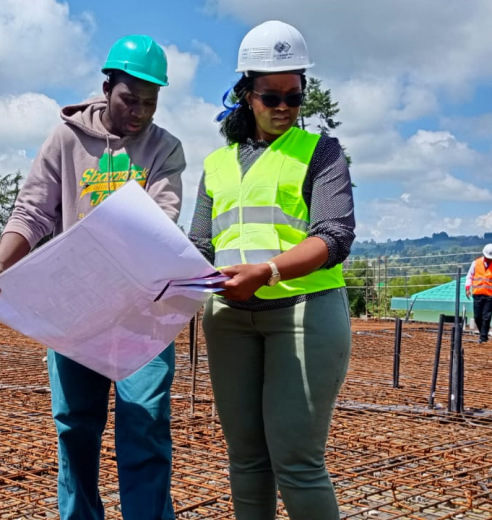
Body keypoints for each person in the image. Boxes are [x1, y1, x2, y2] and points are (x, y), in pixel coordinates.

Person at [0, 35, 185, 520]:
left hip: (140, 318)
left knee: (145, 425)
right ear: (107, 88)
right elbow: (33, 212)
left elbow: (161, 224)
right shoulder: (66, 139)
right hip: (76, 315)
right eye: (131, 99)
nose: (140, 113)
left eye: (151, 103)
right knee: (75, 428)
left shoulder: (164, 149)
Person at [188, 21, 355, 520]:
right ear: (245, 95)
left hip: (305, 316)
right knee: (246, 460)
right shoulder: (216, 163)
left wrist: (268, 271)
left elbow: (334, 236)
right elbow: (200, 244)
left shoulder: (321, 153)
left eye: (294, 96)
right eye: (270, 96)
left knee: (297, 462)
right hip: (230, 318)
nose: (283, 107)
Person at [465, 243, 492, 343]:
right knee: (477, 316)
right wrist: (467, 288)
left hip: (490, 295)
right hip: (477, 294)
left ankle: (483, 338)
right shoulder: (476, 263)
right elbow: (470, 276)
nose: (489, 259)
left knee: (486, 317)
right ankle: (484, 334)